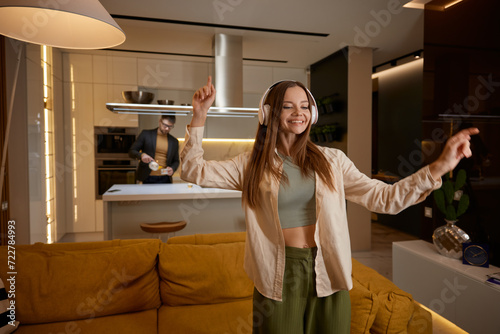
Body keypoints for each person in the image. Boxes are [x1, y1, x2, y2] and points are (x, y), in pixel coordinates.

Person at [180, 76, 479, 333]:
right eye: (288, 106)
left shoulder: (332, 161)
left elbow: (385, 198)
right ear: (268, 113)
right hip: (278, 272)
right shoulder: (251, 164)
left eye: (304, 106)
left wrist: (440, 166)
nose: (299, 113)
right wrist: (199, 116)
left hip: (328, 267)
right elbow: (193, 170)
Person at [129, 115, 180, 184]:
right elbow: (132, 151)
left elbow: (176, 161)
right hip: (147, 177)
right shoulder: (146, 134)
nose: (167, 129)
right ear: (160, 121)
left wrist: (172, 168)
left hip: (165, 178)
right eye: (165, 125)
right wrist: (142, 155)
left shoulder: (174, 141)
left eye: (170, 126)